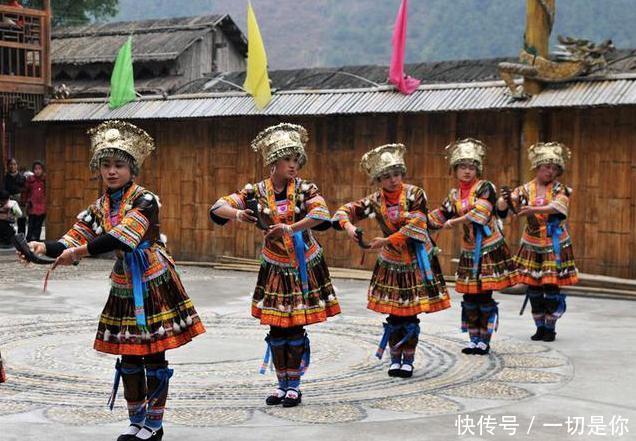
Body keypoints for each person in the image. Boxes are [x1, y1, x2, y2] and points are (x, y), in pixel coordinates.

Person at [18, 120, 205, 441]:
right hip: (123, 283)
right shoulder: (100, 206)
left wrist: (77, 253)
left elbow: (122, 238)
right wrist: (42, 246)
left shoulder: (146, 200)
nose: (112, 171)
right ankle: (136, 421)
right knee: (129, 354)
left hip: (152, 279)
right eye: (106, 165)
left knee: (154, 353)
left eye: (119, 165)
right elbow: (74, 236)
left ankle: (155, 424)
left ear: (132, 169)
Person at [209, 123, 339, 407]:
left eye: (296, 160)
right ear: (273, 162)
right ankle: (281, 385)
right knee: (277, 328)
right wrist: (240, 214)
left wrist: (290, 228)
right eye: (287, 160)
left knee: (295, 327)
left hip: (303, 264)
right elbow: (217, 208)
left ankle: (295, 385)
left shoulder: (305, 188)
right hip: (275, 267)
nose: (293, 166)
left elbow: (321, 214)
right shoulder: (255, 192)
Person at [333, 143, 451, 377]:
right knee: (394, 313)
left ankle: (408, 359)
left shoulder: (415, 194)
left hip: (415, 260)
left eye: (396, 174)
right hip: (391, 263)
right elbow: (342, 212)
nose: (393, 180)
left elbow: (417, 225)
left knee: (410, 313)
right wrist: (348, 228)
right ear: (378, 179)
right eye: (386, 176)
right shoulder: (375, 202)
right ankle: (394, 359)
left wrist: (385, 241)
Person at [428, 139, 518, 355]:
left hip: (488, 248)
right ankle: (473, 338)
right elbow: (441, 214)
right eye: (462, 167)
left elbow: (480, 214)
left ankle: (484, 340)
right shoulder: (454, 195)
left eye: (471, 167)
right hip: (469, 250)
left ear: (477, 169)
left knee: (484, 296)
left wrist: (453, 223)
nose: (467, 171)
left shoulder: (485, 187)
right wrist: (419, 221)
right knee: (469, 297)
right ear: (455, 170)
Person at [497, 142, 578, 342]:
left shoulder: (561, 189)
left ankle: (550, 327)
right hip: (532, 244)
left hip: (554, 243)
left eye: (554, 168)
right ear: (537, 167)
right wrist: (503, 201)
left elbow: (557, 207)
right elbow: (504, 208)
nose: (550, 172)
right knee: (533, 288)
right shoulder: (525, 189)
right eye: (546, 167)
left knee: (551, 289)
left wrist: (533, 210)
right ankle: (539, 326)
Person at [3, 158, 26, 235]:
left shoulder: (22, 177)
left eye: (14, 164)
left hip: (20, 200)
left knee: (21, 220)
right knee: (9, 220)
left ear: (17, 166)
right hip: (9, 201)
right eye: (10, 164)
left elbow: (25, 189)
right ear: (7, 166)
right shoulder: (5, 178)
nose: (12, 166)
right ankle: (9, 238)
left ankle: (21, 238)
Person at [24, 160, 46, 241]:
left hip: (42, 206)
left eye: (39, 169)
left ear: (43, 170)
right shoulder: (30, 180)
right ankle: (28, 239)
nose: (37, 171)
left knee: (38, 225)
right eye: (36, 169)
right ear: (33, 170)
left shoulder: (45, 180)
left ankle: (36, 240)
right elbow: (26, 192)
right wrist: (27, 201)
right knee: (31, 224)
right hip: (32, 206)